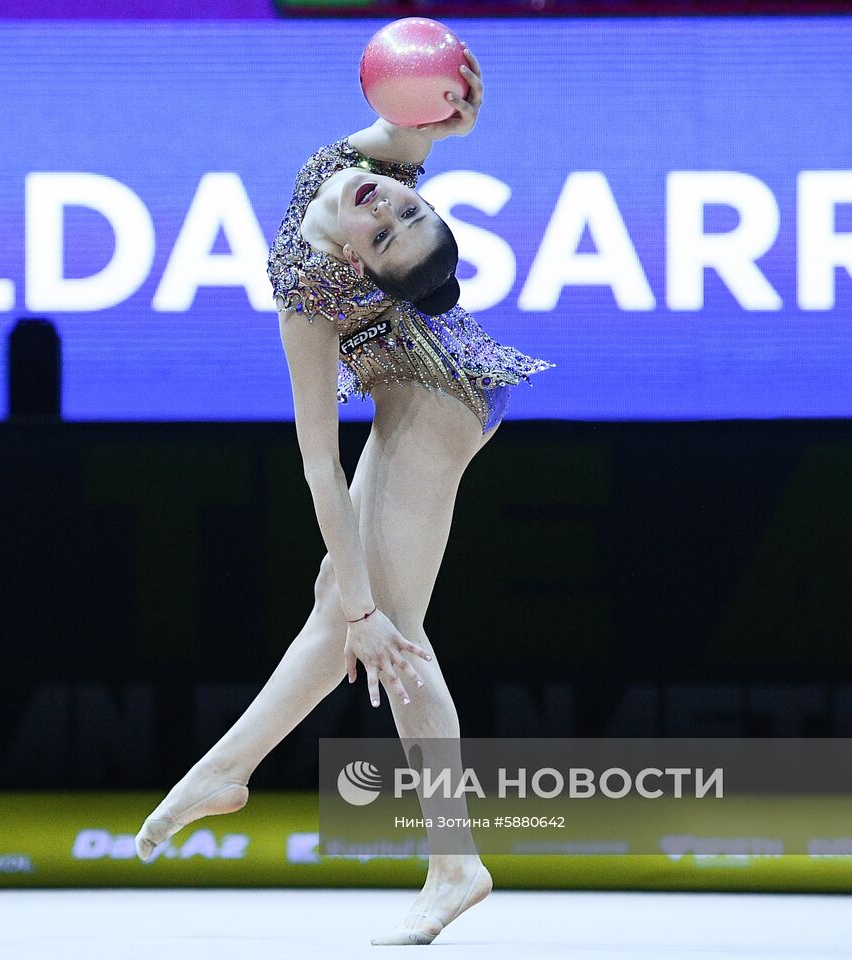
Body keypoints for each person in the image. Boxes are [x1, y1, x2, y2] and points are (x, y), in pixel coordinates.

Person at [134, 43, 552, 945]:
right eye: (408, 207)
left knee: (386, 632)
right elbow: (407, 114)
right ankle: (225, 773)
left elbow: (317, 464)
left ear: (362, 271)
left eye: (391, 232)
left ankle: (453, 863)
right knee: (344, 611)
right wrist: (451, 110)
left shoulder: (308, 295)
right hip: (426, 387)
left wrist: (364, 607)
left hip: (442, 400)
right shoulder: (357, 169)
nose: (391, 206)